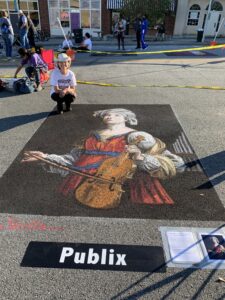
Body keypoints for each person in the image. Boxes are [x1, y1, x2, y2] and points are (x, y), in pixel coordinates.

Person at [21, 108, 185, 209]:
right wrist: (46, 157)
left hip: (121, 185)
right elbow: (74, 161)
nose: (109, 116)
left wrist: (140, 157)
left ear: (126, 118)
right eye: (106, 114)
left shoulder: (137, 136)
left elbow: (175, 164)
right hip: (80, 183)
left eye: (115, 114)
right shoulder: (92, 136)